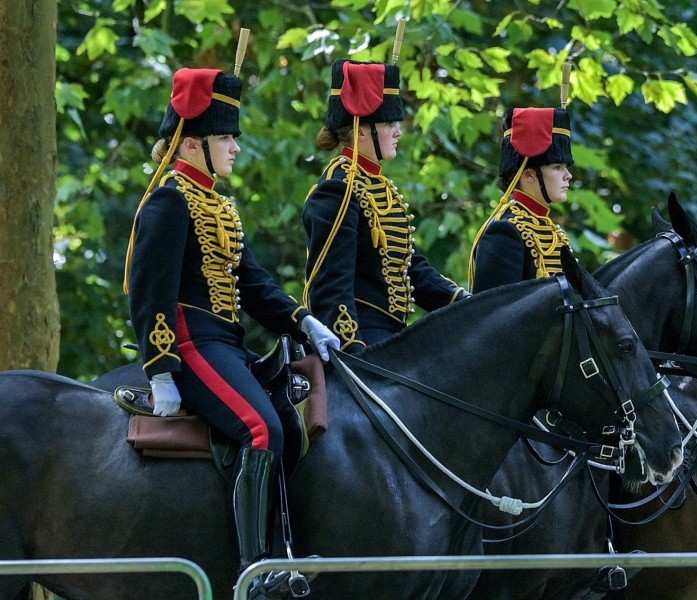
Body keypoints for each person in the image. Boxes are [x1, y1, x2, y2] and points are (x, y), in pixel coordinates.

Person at [123, 67, 339, 598]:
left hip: (229, 345)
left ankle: (282, 551)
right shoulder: (170, 201)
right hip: (191, 344)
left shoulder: (219, 206)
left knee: (288, 428)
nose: (236, 147)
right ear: (192, 144)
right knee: (261, 429)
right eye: (226, 137)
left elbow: (255, 284)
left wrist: (302, 319)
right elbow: (149, 293)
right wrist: (163, 370)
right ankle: (254, 570)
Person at [303, 58, 468, 351]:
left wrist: (463, 302)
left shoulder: (381, 187)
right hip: (362, 336)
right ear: (361, 129)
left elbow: (410, 269)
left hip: (396, 333)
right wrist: (353, 348)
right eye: (389, 123)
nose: (398, 131)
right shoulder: (338, 188)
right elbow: (330, 284)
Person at [468, 106, 574, 292]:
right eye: (557, 167)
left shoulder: (554, 233)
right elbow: (495, 314)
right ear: (528, 175)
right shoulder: (505, 231)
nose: (568, 175)